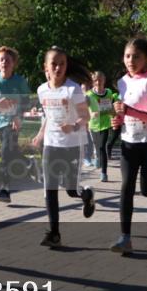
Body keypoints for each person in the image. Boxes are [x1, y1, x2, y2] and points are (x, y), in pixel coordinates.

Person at [31, 47, 96, 248]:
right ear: (46, 68)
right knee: (50, 188)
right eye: (54, 64)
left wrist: (74, 126)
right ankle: (54, 233)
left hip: (73, 144)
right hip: (52, 144)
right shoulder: (42, 90)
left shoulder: (73, 89)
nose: (58, 67)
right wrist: (41, 134)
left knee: (70, 190)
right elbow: (47, 117)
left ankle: (86, 195)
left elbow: (86, 115)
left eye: (62, 64)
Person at [111, 38, 147, 255]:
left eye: (136, 56)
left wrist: (129, 112)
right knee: (126, 187)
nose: (131, 60)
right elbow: (122, 112)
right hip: (129, 142)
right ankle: (125, 238)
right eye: (127, 56)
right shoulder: (122, 82)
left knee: (146, 188)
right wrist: (117, 120)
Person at [0, 46, 31, 204]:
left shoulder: (20, 81)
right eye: (1, 60)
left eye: (7, 60)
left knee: (5, 155)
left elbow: (26, 101)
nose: (4, 62)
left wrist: (18, 116)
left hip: (13, 123)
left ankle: (5, 190)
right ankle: (29, 162)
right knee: (11, 152)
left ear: (13, 63)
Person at [87, 71, 119, 183]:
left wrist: (114, 115)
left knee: (102, 147)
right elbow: (85, 109)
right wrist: (91, 114)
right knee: (97, 146)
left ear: (104, 80)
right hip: (93, 125)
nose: (98, 82)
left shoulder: (109, 92)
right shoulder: (89, 94)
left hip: (105, 124)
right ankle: (97, 157)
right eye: (96, 80)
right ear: (93, 81)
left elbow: (111, 108)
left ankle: (104, 173)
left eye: (100, 79)